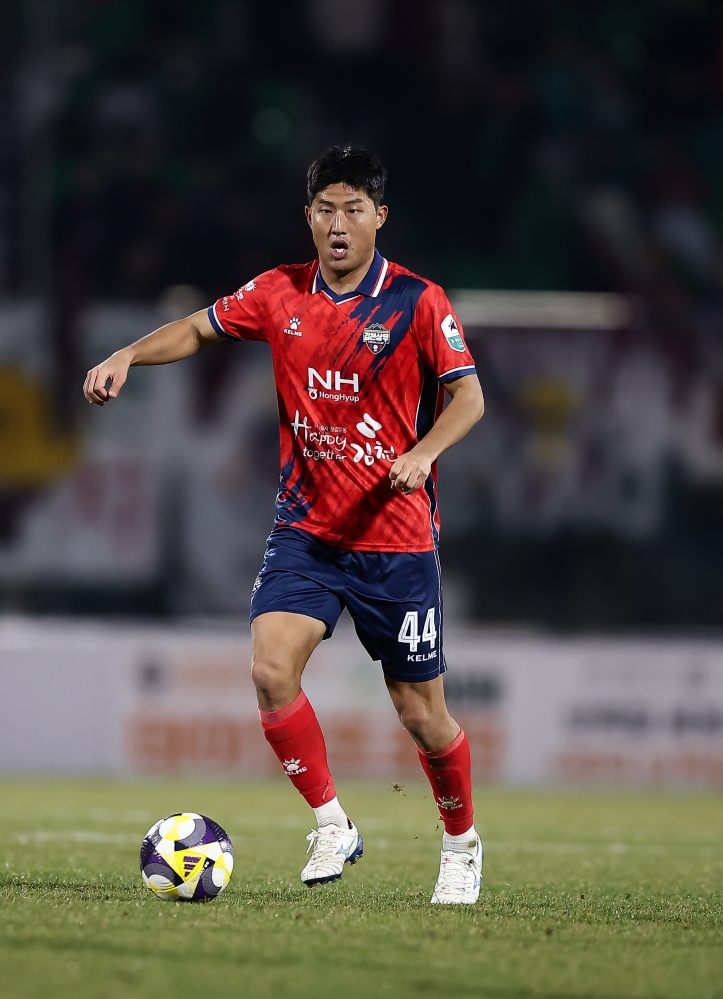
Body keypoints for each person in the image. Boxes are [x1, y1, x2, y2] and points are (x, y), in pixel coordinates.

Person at [84, 146, 486, 904]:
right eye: (326, 210)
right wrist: (129, 354)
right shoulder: (279, 292)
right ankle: (332, 823)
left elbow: (469, 398)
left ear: (379, 217)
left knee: (420, 713)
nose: (339, 224)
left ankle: (461, 843)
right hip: (307, 532)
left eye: (354, 209)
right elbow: (199, 329)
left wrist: (423, 453)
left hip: (394, 540)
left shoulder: (418, 301)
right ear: (308, 217)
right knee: (271, 671)